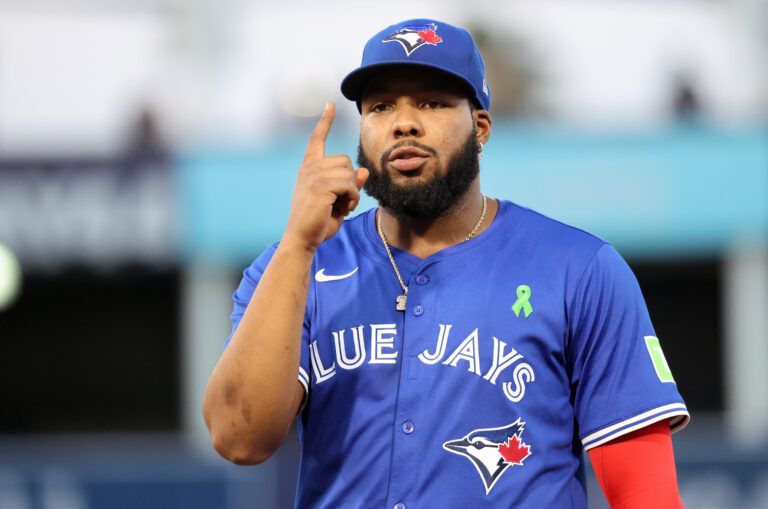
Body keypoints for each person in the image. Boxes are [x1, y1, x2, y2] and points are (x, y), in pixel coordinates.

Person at [203, 18, 690, 508]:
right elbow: (238, 439)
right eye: (380, 106)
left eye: (432, 102)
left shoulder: (579, 269)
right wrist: (296, 245)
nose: (403, 122)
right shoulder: (294, 268)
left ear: (480, 128)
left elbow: (644, 493)